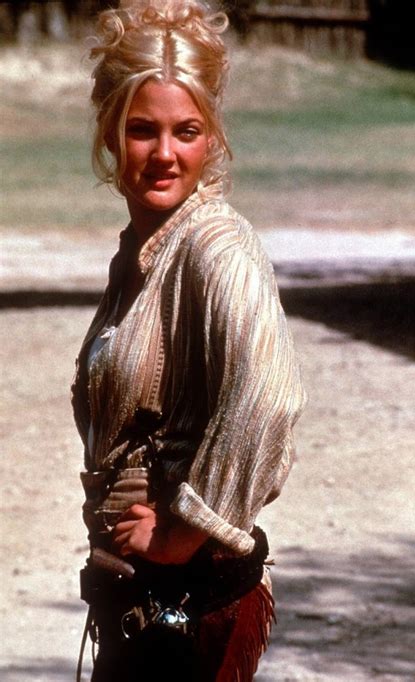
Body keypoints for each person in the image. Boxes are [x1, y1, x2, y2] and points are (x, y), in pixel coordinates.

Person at [71, 1, 306, 680]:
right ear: (110, 132)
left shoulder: (216, 245)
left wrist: (180, 534)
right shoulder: (142, 253)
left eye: (187, 131)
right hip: (138, 601)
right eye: (142, 130)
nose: (165, 154)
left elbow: (269, 397)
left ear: (212, 139)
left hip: (187, 606)